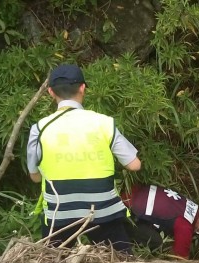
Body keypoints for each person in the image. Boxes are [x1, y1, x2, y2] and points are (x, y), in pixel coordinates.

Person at [26, 64, 141, 252]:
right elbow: (134, 165)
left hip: (59, 215)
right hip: (102, 212)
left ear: (50, 92)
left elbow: (35, 176)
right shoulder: (104, 123)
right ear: (82, 88)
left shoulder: (39, 129)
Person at [120, 184, 199, 258]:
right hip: (125, 212)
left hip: (128, 191)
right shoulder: (186, 225)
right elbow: (180, 259)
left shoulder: (187, 203)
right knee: (158, 243)